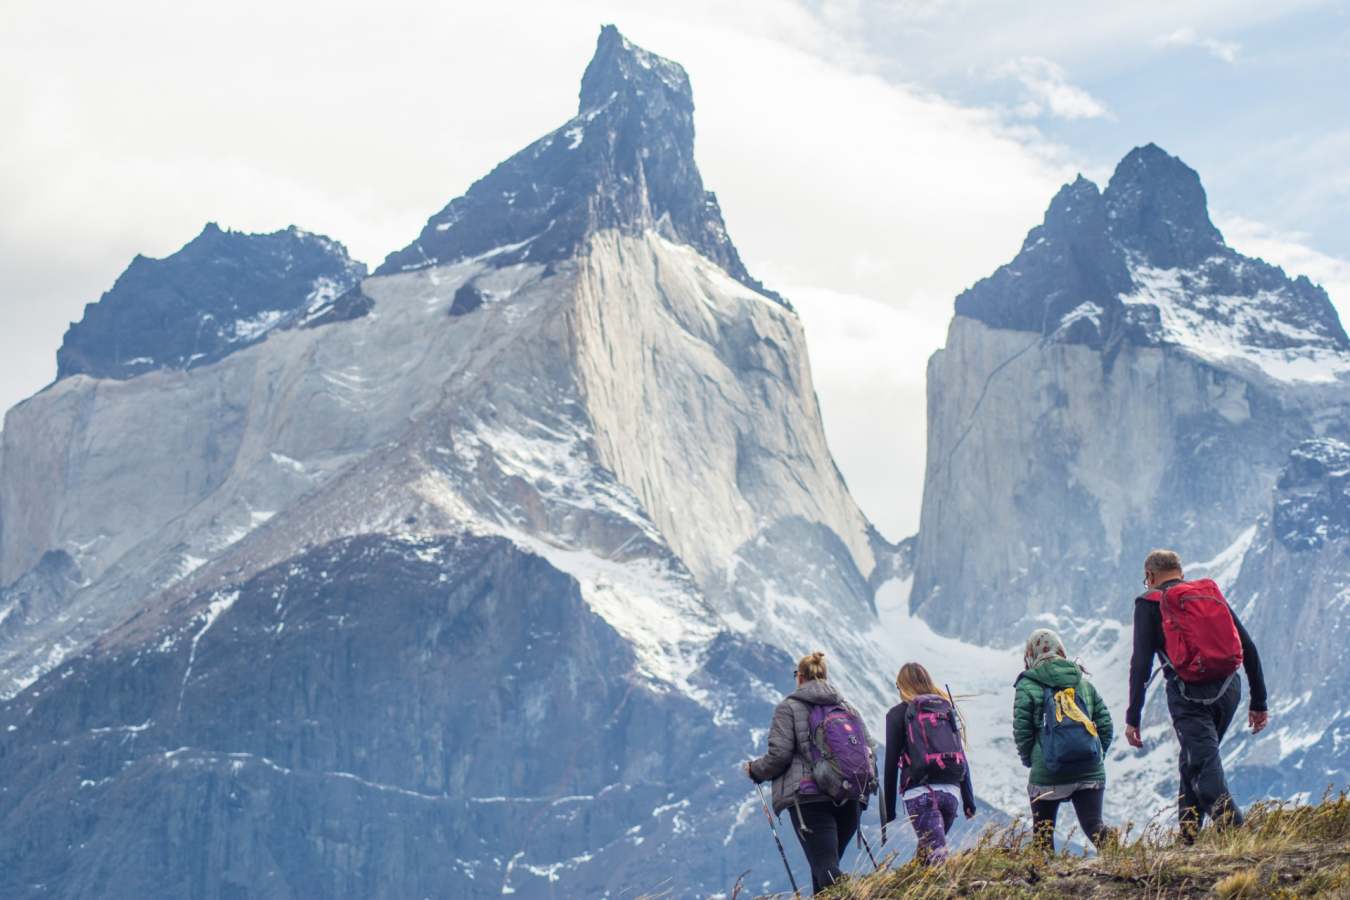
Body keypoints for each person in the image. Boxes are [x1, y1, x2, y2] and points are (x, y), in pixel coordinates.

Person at [1125, 549, 1269, 842]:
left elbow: (1140, 664)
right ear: (1180, 571)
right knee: (1193, 758)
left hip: (1188, 695)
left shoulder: (1150, 603)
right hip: (1230, 688)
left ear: (1150, 576)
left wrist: (1133, 717)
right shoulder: (1206, 594)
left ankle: (1238, 839)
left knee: (1203, 765)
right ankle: (1188, 837)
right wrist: (1259, 702)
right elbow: (1248, 645)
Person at [744, 651, 872, 894]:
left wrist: (755, 771)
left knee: (825, 867)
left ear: (800, 677)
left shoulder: (788, 708)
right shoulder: (847, 707)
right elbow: (868, 749)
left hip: (809, 796)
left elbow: (779, 755)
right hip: (851, 795)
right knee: (824, 868)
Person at [1013, 628, 1114, 852]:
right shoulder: (1083, 682)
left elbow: (1023, 731)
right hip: (1090, 769)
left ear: (1030, 655)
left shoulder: (1027, 685)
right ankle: (1126, 861)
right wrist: (1097, 755)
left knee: (1043, 834)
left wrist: (1033, 760)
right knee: (1093, 825)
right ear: (1061, 650)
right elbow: (1105, 725)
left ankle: (1046, 882)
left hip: (1047, 772)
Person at [882, 662, 976, 864]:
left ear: (902, 686)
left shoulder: (898, 714)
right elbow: (960, 752)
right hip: (951, 793)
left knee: (936, 858)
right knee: (926, 857)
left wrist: (888, 810)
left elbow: (890, 764)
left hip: (920, 794)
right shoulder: (945, 708)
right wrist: (969, 800)